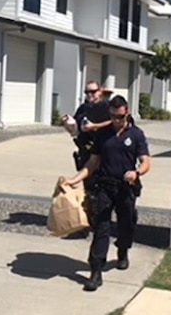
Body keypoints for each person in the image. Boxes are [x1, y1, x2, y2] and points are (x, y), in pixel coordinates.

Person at [62, 95, 151, 292]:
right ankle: (96, 271)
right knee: (101, 227)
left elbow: (145, 161)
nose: (116, 120)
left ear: (126, 113)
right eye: (112, 116)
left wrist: (136, 173)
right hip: (105, 186)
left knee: (126, 223)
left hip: (126, 187)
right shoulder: (102, 134)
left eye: (119, 116)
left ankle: (123, 249)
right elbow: (93, 162)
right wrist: (74, 179)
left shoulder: (136, 134)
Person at [70, 81, 113, 172]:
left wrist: (94, 126)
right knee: (88, 183)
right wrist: (70, 126)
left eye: (93, 92)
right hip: (86, 151)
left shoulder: (108, 107)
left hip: (103, 153)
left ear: (100, 91)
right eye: (87, 92)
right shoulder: (83, 108)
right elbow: (76, 127)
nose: (89, 94)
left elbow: (116, 122)